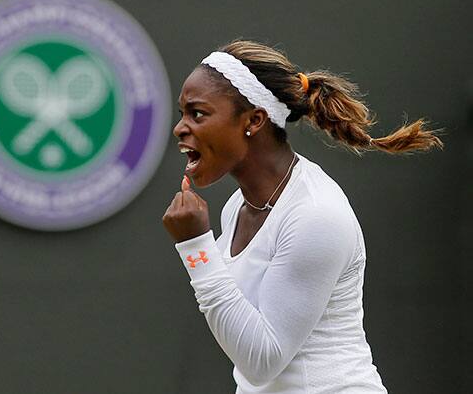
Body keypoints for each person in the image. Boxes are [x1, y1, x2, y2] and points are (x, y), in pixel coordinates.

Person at [162, 40, 442, 394]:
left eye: (197, 113)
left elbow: (262, 361)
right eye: (183, 114)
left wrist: (196, 248)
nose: (180, 128)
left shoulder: (316, 215)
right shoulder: (237, 207)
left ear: (254, 120)